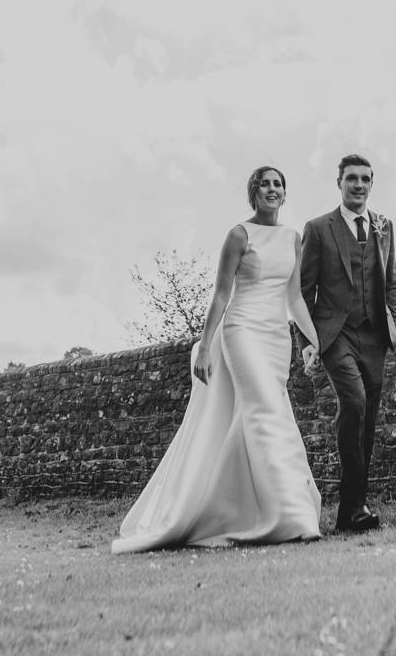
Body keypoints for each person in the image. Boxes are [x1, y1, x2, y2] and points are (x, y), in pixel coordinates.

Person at [112, 166, 323, 553]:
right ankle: (294, 517)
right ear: (253, 193)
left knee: (270, 413)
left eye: (278, 185)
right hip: (240, 330)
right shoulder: (239, 235)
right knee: (263, 410)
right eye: (265, 184)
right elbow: (222, 295)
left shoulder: (294, 239)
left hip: (276, 338)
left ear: (284, 194)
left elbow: (293, 298)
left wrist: (315, 340)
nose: (272, 190)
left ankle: (241, 509)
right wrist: (206, 346)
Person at [298, 153, 396, 534]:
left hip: (374, 336)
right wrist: (307, 342)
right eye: (351, 179)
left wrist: (393, 317)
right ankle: (354, 506)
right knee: (353, 404)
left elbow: (392, 280)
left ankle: (352, 511)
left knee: (368, 419)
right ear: (338, 183)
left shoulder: (385, 226)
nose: (359, 185)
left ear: (371, 184)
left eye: (365, 179)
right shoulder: (318, 228)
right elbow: (303, 292)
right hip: (335, 335)